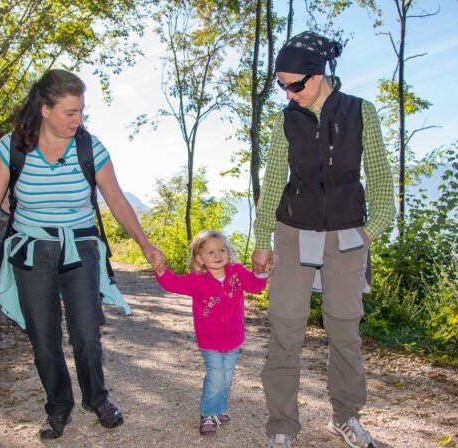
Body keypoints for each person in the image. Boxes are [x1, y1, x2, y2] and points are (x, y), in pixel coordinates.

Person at [0, 69, 163, 440]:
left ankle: (97, 399)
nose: (77, 120)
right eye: (69, 112)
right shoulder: (11, 148)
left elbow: (116, 199)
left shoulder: (90, 147)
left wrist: (146, 244)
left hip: (80, 245)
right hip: (32, 249)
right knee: (44, 337)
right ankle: (58, 406)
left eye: (81, 111)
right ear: (45, 109)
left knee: (86, 333)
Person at [252, 32, 395, 448]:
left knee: (344, 329)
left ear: (321, 74)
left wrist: (372, 229)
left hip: (347, 235)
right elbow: (276, 178)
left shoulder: (360, 112)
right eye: (281, 84)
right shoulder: (286, 119)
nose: (289, 92)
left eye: (296, 83)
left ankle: (345, 417)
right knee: (285, 328)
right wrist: (263, 239)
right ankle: (281, 424)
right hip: (294, 231)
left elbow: (381, 174)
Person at [152, 230, 268, 436]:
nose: (218, 255)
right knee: (216, 376)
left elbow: (255, 287)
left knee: (226, 376)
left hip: (234, 338)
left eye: (222, 250)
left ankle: (218, 410)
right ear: (200, 258)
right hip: (210, 341)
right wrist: (161, 270)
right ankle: (207, 413)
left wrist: (260, 272)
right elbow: (172, 283)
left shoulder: (237, 272)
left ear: (228, 252)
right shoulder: (197, 280)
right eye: (211, 252)